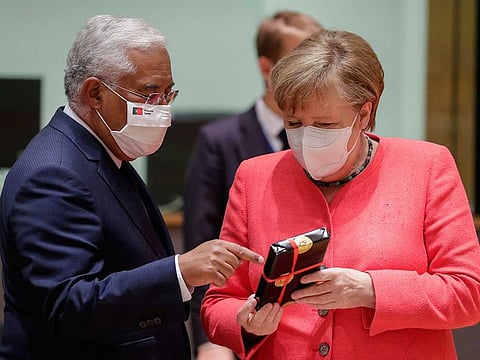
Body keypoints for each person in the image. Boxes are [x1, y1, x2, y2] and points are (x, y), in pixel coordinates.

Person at [201, 29, 480, 359]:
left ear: (363, 114)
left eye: (325, 125)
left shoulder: (426, 166)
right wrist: (244, 322)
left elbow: (468, 294)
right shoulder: (254, 176)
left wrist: (371, 290)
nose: (306, 138)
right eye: (293, 123)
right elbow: (218, 301)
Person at [0, 15, 264, 360]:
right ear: (94, 92)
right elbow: (69, 305)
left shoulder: (104, 152)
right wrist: (179, 271)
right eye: (149, 93)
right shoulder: (53, 172)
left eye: (168, 93)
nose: (163, 108)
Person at [183, 11, 322, 359]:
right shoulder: (219, 140)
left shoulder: (330, 139)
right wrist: (209, 340)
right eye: (299, 61)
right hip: (246, 324)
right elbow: (205, 247)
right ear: (266, 68)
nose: (313, 73)